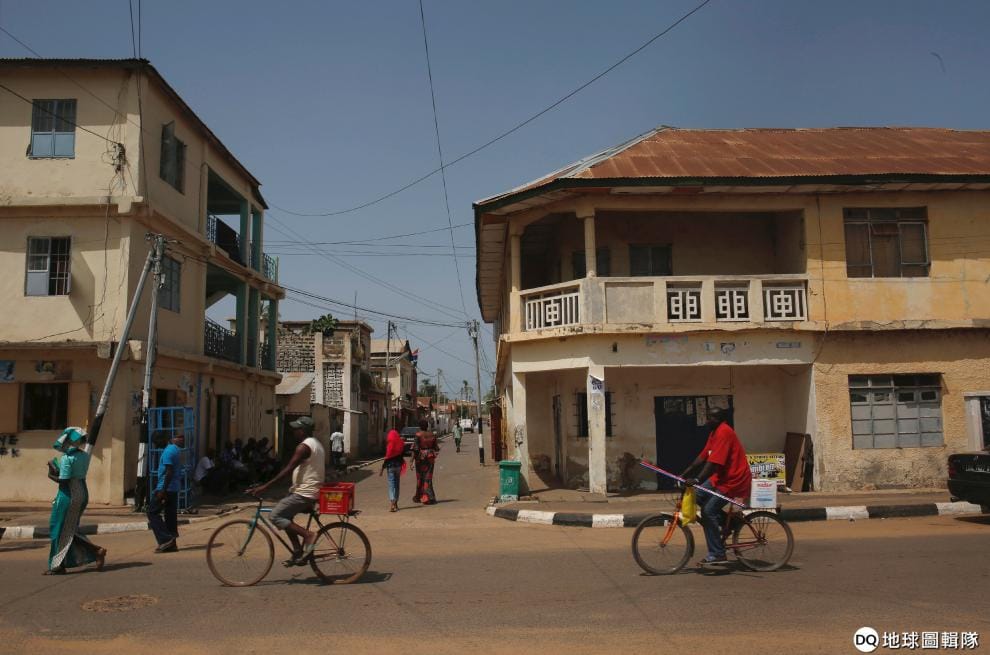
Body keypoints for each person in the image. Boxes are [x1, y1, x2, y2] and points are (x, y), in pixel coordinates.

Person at [247, 416, 325, 566]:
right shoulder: (316, 444)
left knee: (275, 516)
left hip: (305, 493)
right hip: (307, 490)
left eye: (296, 429)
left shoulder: (304, 447)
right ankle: (297, 551)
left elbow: (288, 470)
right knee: (286, 517)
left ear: (303, 431)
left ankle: (308, 536)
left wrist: (265, 487)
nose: (294, 432)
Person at [680, 408, 752, 566]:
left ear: (719, 419)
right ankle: (729, 523)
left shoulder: (724, 432)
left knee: (708, 511)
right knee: (697, 495)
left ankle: (717, 553)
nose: (707, 421)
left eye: (710, 418)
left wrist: (697, 479)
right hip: (721, 477)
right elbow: (703, 456)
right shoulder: (714, 433)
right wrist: (683, 474)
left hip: (734, 479)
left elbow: (712, 463)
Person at [45, 427, 106, 575]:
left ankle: (92, 551)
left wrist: (50, 474)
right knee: (68, 528)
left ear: (68, 441)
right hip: (82, 492)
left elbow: (64, 480)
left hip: (69, 495)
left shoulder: (67, 458)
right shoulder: (84, 455)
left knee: (59, 529)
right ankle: (61, 563)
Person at [148, 432, 184, 553]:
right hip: (173, 488)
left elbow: (169, 472)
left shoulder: (168, 452)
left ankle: (165, 540)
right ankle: (172, 544)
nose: (156, 445)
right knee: (170, 516)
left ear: (162, 439)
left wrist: (162, 490)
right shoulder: (174, 449)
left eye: (156, 441)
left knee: (152, 512)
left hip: (165, 488)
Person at [412, 419, 440, 505]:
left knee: (420, 477)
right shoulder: (432, 435)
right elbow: (436, 448)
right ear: (427, 426)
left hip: (421, 458)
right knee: (428, 477)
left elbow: (416, 449)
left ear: (420, 427)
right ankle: (430, 497)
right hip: (430, 457)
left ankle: (420, 497)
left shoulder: (418, 435)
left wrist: (411, 460)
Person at [379, 428, 407, 512]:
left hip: (390, 467)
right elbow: (402, 455)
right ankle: (396, 503)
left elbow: (387, 458)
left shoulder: (390, 445)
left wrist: (382, 468)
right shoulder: (401, 444)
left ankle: (392, 503)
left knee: (391, 485)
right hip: (398, 466)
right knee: (397, 485)